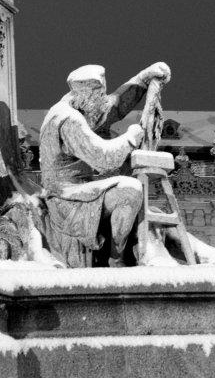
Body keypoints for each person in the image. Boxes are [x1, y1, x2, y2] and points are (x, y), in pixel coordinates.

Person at [39, 61, 170, 267]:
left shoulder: (82, 106)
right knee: (129, 190)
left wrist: (144, 78)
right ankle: (116, 259)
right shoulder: (67, 119)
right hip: (65, 195)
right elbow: (104, 159)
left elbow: (116, 105)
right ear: (86, 96)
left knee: (127, 179)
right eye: (100, 95)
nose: (103, 100)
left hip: (81, 188)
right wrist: (130, 137)